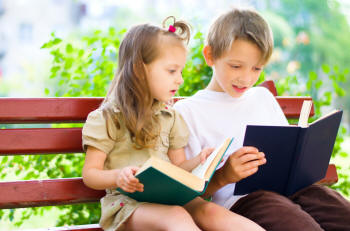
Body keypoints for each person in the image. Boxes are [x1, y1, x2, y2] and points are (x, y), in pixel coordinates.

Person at [174, 8, 350, 231]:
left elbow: (287, 156)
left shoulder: (262, 97)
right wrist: (224, 176)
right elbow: (188, 194)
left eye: (257, 68)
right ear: (210, 56)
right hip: (245, 202)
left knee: (338, 210)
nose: (246, 78)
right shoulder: (190, 112)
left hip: (295, 191)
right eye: (236, 66)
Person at [81, 16, 264, 231]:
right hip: (130, 205)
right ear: (140, 70)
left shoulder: (170, 117)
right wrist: (118, 176)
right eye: (171, 71)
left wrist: (199, 161)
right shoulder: (107, 118)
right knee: (176, 216)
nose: (180, 79)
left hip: (170, 197)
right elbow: (90, 174)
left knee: (212, 211)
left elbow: (178, 169)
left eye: (181, 71)